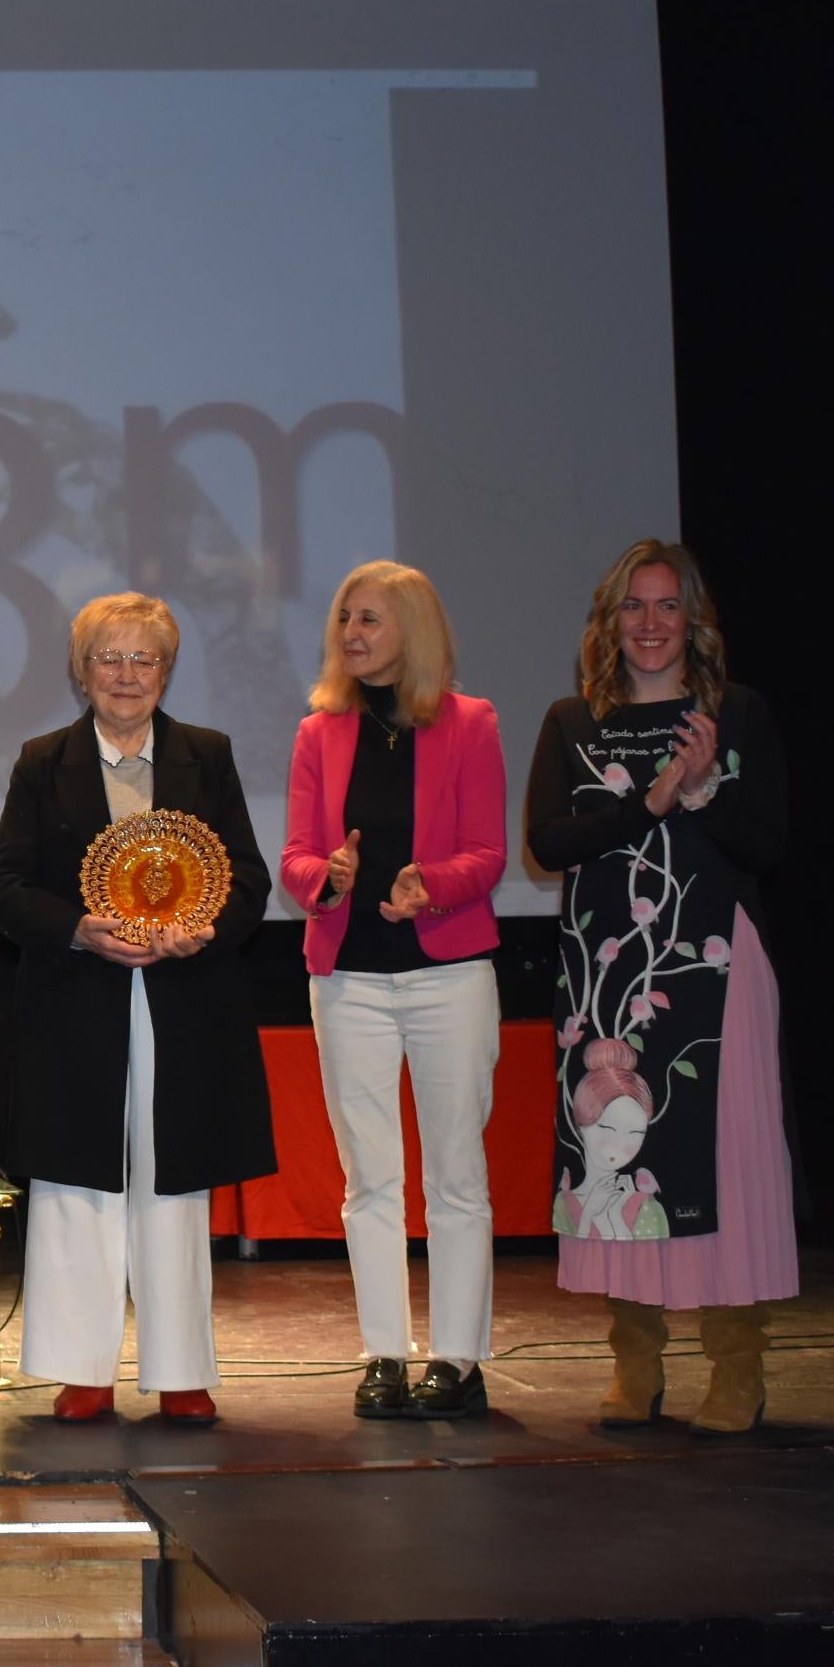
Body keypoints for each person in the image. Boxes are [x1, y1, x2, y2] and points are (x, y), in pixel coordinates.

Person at [0, 593, 274, 1425]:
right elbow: (4, 887)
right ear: (82, 672)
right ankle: (83, 1371)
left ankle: (182, 1372)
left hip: (184, 1004)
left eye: (143, 659)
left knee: (174, 1187)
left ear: (167, 671)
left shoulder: (206, 756)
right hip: (78, 1005)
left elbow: (245, 881)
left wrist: (202, 933)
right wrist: (79, 931)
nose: (126, 675)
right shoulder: (44, 761)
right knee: (79, 1190)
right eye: (109, 658)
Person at [526, 541, 791, 1435]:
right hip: (607, 977)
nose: (649, 623)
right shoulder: (574, 721)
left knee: (723, 1158)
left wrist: (707, 789)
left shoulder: (738, 713)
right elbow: (548, 846)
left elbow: (770, 846)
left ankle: (736, 1369)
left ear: (694, 622)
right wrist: (650, 801)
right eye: (632, 607)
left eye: (667, 606)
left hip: (713, 965)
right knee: (617, 1153)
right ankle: (635, 1365)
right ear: (610, 623)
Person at [280, 563, 507, 1421]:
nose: (351, 632)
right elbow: (299, 854)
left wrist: (431, 885)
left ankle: (457, 1357)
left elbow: (487, 852)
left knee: (456, 1173)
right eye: (344, 617)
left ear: (412, 627)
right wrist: (328, 879)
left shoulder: (471, 723)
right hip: (350, 982)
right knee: (369, 1178)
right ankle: (383, 1354)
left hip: (449, 974)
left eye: (369, 618)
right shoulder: (319, 732)